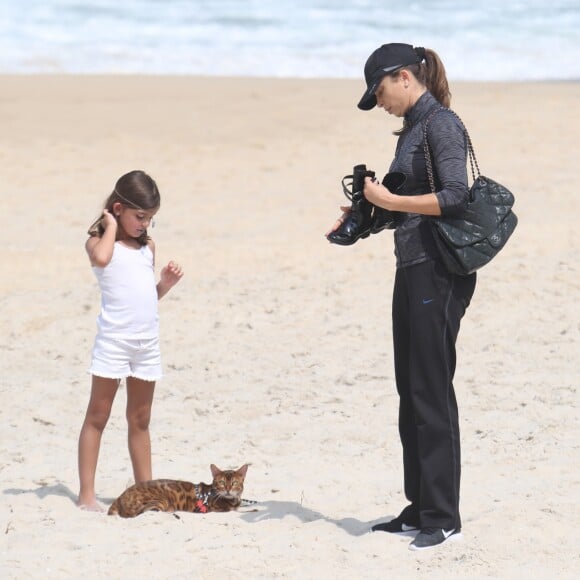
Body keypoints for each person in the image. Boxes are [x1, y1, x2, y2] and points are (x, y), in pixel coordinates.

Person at [328, 43, 477, 550]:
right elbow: (407, 209)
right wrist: (364, 218)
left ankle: (444, 516)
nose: (380, 101)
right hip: (412, 266)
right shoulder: (413, 129)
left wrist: (388, 198)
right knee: (410, 388)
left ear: (404, 77)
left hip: (438, 271)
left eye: (380, 90)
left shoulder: (441, 125)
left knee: (432, 389)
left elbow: (456, 194)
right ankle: (419, 507)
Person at [77, 170, 184, 510]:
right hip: (114, 342)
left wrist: (164, 285)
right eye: (140, 216)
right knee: (98, 415)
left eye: (150, 219)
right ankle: (86, 496)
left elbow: (144, 298)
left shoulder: (146, 247)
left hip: (146, 344)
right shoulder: (97, 242)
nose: (145, 225)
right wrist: (109, 225)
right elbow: (102, 259)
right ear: (118, 208)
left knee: (140, 419)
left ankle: (145, 492)